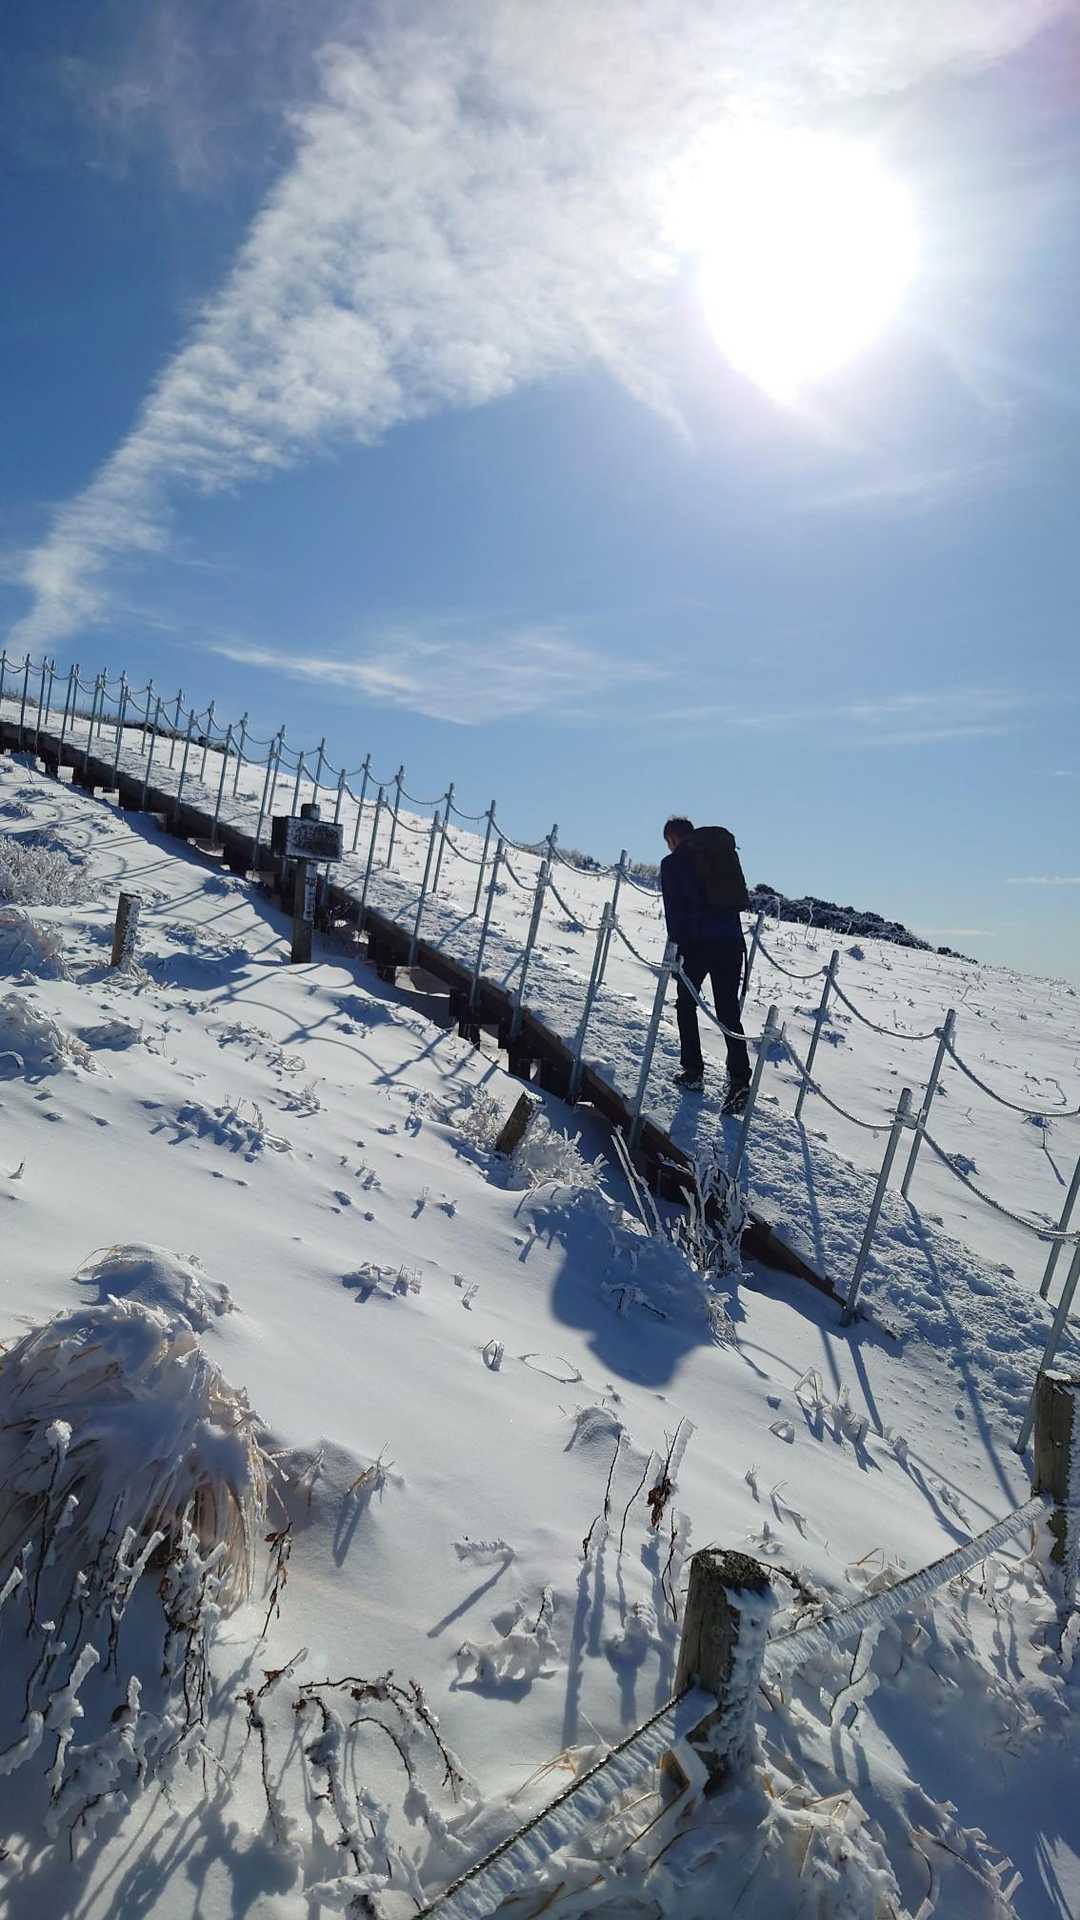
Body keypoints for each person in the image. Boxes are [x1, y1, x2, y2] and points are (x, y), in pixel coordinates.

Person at [660, 815, 752, 1111]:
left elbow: (675, 911)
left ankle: (693, 1072)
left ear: (672, 838)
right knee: (728, 1011)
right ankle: (739, 1080)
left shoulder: (673, 863)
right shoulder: (718, 856)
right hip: (731, 942)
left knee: (686, 1004)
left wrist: (676, 949)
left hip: (696, 944)